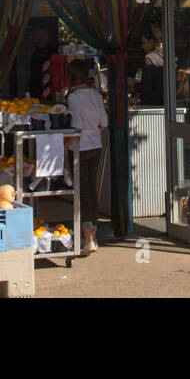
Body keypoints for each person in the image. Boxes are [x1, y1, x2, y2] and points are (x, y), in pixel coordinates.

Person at [66, 59, 107, 255]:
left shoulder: (74, 98)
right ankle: (94, 236)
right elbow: (104, 122)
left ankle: (87, 237)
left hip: (79, 148)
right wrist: (94, 130)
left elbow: (76, 126)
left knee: (82, 192)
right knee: (92, 190)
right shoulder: (96, 95)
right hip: (96, 145)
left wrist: (64, 146)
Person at [139, 26, 164, 106]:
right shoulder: (169, 56)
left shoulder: (149, 58)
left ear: (152, 41)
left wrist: (132, 83)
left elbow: (146, 86)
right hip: (167, 103)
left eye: (144, 43)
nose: (143, 47)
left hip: (151, 104)